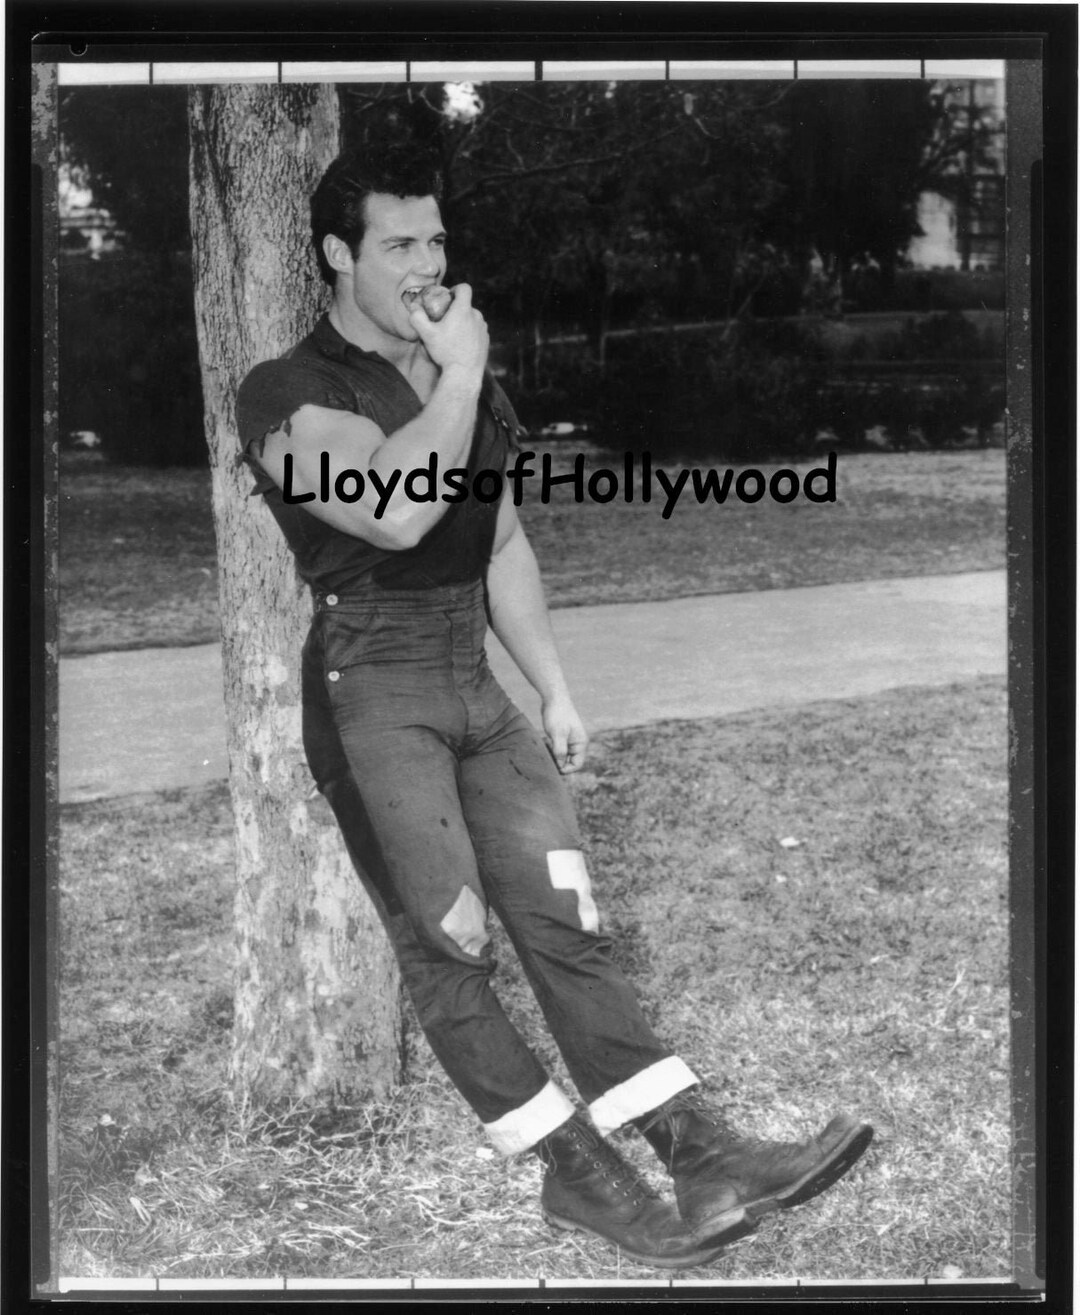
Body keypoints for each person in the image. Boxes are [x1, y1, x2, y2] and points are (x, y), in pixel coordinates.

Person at [235, 145, 873, 1270]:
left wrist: (555, 685)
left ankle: (702, 1149)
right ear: (338, 254)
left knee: (565, 921)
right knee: (451, 946)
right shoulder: (285, 389)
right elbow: (391, 512)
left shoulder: (454, 372)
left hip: (473, 684)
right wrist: (464, 377)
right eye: (400, 244)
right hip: (370, 684)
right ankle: (581, 1182)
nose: (429, 266)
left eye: (437, 241)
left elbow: (502, 539)